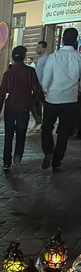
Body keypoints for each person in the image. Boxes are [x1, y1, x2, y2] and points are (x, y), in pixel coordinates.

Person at [0, 45, 43, 173]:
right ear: (24, 57)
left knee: (8, 135)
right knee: (21, 135)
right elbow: (37, 90)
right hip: (23, 108)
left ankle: (6, 162)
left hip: (10, 108)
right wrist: (35, 101)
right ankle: (17, 158)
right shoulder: (30, 72)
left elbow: (1, 94)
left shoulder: (8, 74)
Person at [40, 27, 81, 173]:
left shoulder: (54, 56)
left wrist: (45, 92)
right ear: (76, 40)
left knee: (47, 128)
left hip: (53, 98)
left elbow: (46, 80)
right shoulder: (79, 57)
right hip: (70, 100)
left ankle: (48, 152)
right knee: (63, 133)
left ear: (62, 39)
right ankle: (57, 163)